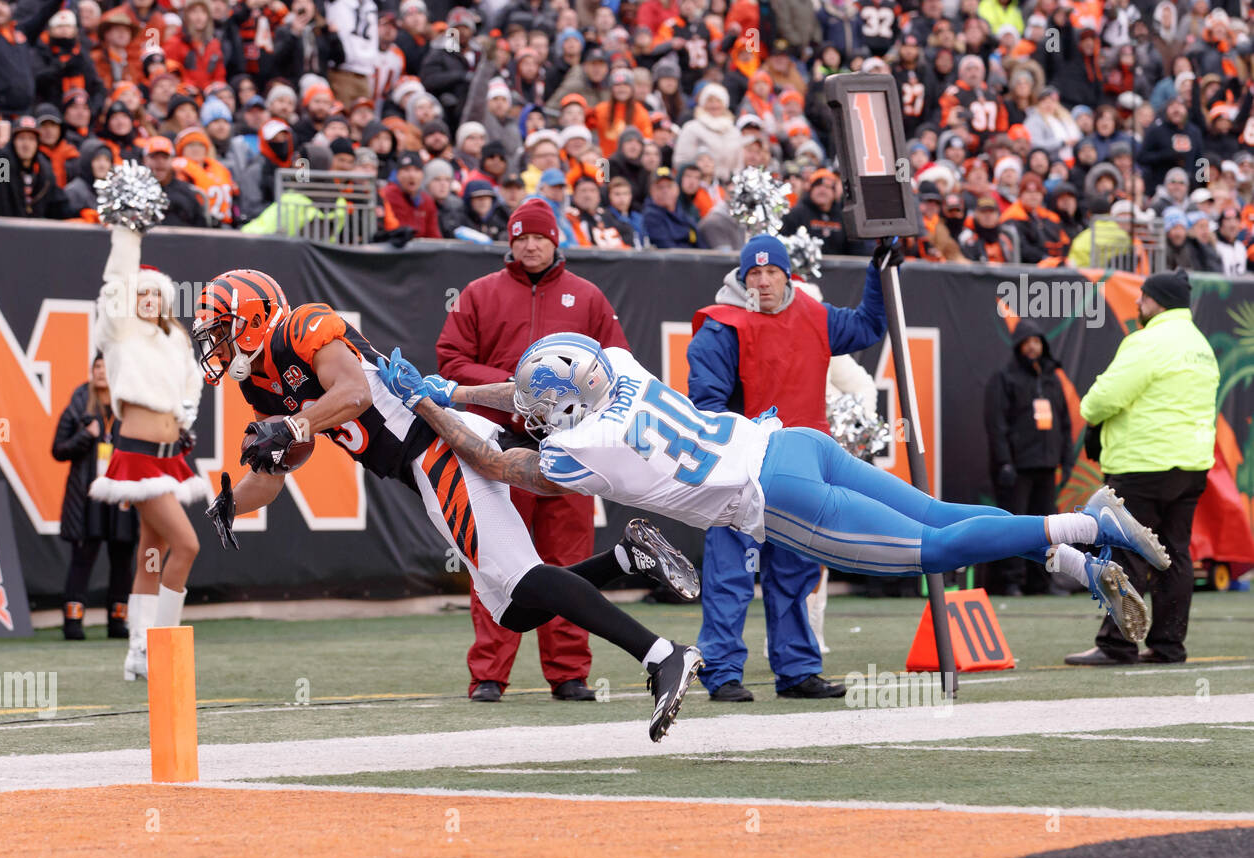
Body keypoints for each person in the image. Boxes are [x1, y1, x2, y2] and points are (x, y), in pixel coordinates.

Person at [387, 321, 1170, 648]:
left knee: (932, 550)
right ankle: (1066, 554)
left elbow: (494, 461)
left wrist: (428, 400)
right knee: (937, 511)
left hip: (774, 497)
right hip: (788, 441)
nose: (530, 413)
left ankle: (1085, 529)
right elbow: (531, 397)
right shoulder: (615, 368)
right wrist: (459, 391)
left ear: (566, 401)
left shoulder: (584, 449)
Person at [193, 270, 703, 743]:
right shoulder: (257, 380)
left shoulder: (302, 325)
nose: (214, 343)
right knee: (515, 610)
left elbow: (351, 394)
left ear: (255, 318)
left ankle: (662, 655)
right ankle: (626, 557)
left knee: (522, 578)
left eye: (220, 329)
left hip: (436, 444)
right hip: (418, 466)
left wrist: (294, 426)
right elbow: (288, 458)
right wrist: (234, 500)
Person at [434, 198, 634, 703]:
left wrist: (574, 398)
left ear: (555, 240)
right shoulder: (479, 295)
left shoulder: (586, 296)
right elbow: (450, 361)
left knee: (567, 560)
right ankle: (488, 674)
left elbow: (620, 365)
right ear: (510, 241)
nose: (529, 243)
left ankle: (569, 673)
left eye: (539, 236)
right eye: (521, 236)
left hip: (570, 447)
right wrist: (512, 387)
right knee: (495, 562)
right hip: (497, 446)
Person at [685, 234, 889, 703]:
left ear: (787, 275)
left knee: (796, 575)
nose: (762, 281)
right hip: (739, 474)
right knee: (730, 575)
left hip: (801, 473)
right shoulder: (722, 327)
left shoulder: (814, 315)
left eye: (771, 271)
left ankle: (797, 669)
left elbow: (868, 326)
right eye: (753, 273)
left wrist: (878, 271)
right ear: (741, 279)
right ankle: (721, 671)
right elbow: (707, 408)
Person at [1065, 270, 1219, 666]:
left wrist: (1091, 412)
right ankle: (1169, 646)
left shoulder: (1147, 341)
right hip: (1191, 466)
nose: (1138, 303)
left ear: (1159, 301)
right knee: (1175, 554)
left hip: (1143, 464)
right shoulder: (1201, 345)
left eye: (1144, 297)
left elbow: (1101, 400)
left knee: (1126, 552)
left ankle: (1117, 645)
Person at [87, 222, 207, 680]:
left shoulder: (175, 339)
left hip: (169, 454)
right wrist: (128, 231)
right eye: (143, 294)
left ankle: (138, 649)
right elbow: (116, 283)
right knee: (187, 544)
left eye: (156, 294)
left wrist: (186, 417)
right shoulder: (121, 333)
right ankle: (162, 641)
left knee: (151, 552)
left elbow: (192, 384)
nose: (148, 300)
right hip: (137, 454)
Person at [51, 355, 139, 641]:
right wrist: (85, 436)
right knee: (83, 557)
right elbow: (58, 450)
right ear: (91, 372)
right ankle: (73, 622)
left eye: (107, 367)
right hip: (86, 496)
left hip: (120, 495)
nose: (102, 372)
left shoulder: (127, 408)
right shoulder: (78, 406)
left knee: (122, 559)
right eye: (97, 367)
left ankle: (117, 621)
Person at [984, 320, 1075, 597]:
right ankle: (1011, 581)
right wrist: (1005, 463)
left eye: (1037, 341)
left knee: (1048, 528)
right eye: (1027, 342)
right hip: (1018, 467)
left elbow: (1065, 422)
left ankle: (1042, 582)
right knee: (1015, 525)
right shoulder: (1004, 378)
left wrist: (1067, 460)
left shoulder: (1052, 379)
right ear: (1018, 347)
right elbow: (996, 424)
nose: (1033, 346)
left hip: (1046, 466)